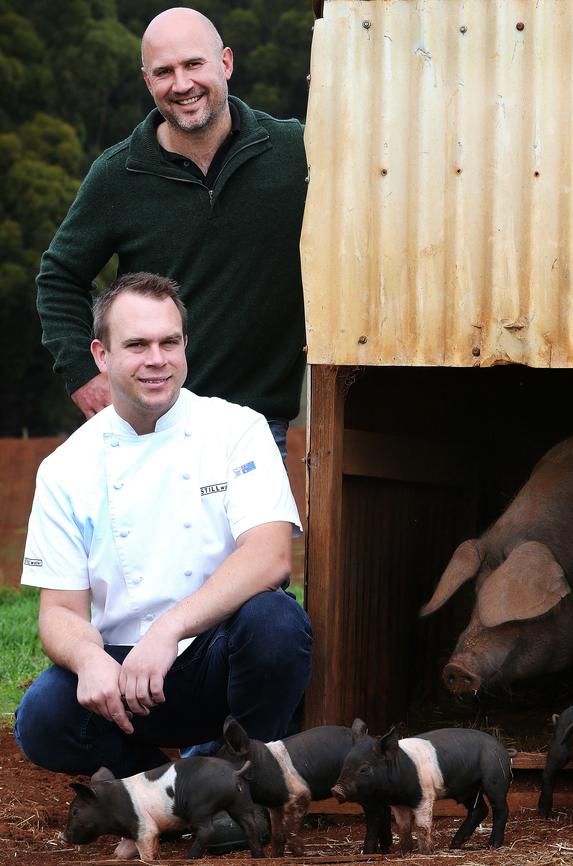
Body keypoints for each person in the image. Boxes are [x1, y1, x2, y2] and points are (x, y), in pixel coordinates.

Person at [15, 273, 312, 852]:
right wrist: (90, 658)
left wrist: (172, 626)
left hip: (217, 656)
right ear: (100, 355)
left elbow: (271, 555)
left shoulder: (236, 430)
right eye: (137, 345)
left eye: (169, 342)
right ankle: (159, 786)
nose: (158, 360)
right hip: (125, 680)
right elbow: (59, 612)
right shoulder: (65, 468)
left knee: (277, 623)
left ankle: (241, 786)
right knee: (42, 716)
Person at [36, 7, 307, 458]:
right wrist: (83, 374)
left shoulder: (295, 156)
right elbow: (58, 277)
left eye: (193, 65)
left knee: (263, 533)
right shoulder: (117, 174)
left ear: (226, 63)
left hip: (256, 428)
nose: (181, 85)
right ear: (148, 82)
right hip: (149, 427)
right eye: (164, 72)